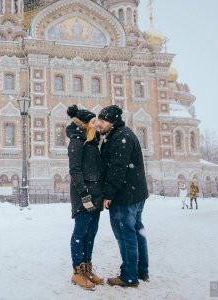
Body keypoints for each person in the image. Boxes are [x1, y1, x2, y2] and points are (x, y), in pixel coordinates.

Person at [96, 105, 149, 288]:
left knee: (126, 235)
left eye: (102, 121)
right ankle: (141, 271)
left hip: (124, 196)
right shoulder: (120, 134)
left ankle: (129, 276)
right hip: (135, 194)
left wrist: (108, 194)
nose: (98, 124)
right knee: (136, 232)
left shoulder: (121, 137)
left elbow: (117, 169)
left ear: (112, 122)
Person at [66, 105, 104, 291]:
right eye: (93, 121)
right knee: (80, 233)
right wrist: (83, 194)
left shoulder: (92, 142)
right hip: (83, 195)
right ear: (84, 124)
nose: (96, 124)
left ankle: (87, 268)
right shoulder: (76, 142)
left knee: (91, 232)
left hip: (96, 194)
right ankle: (77, 272)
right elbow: (75, 170)